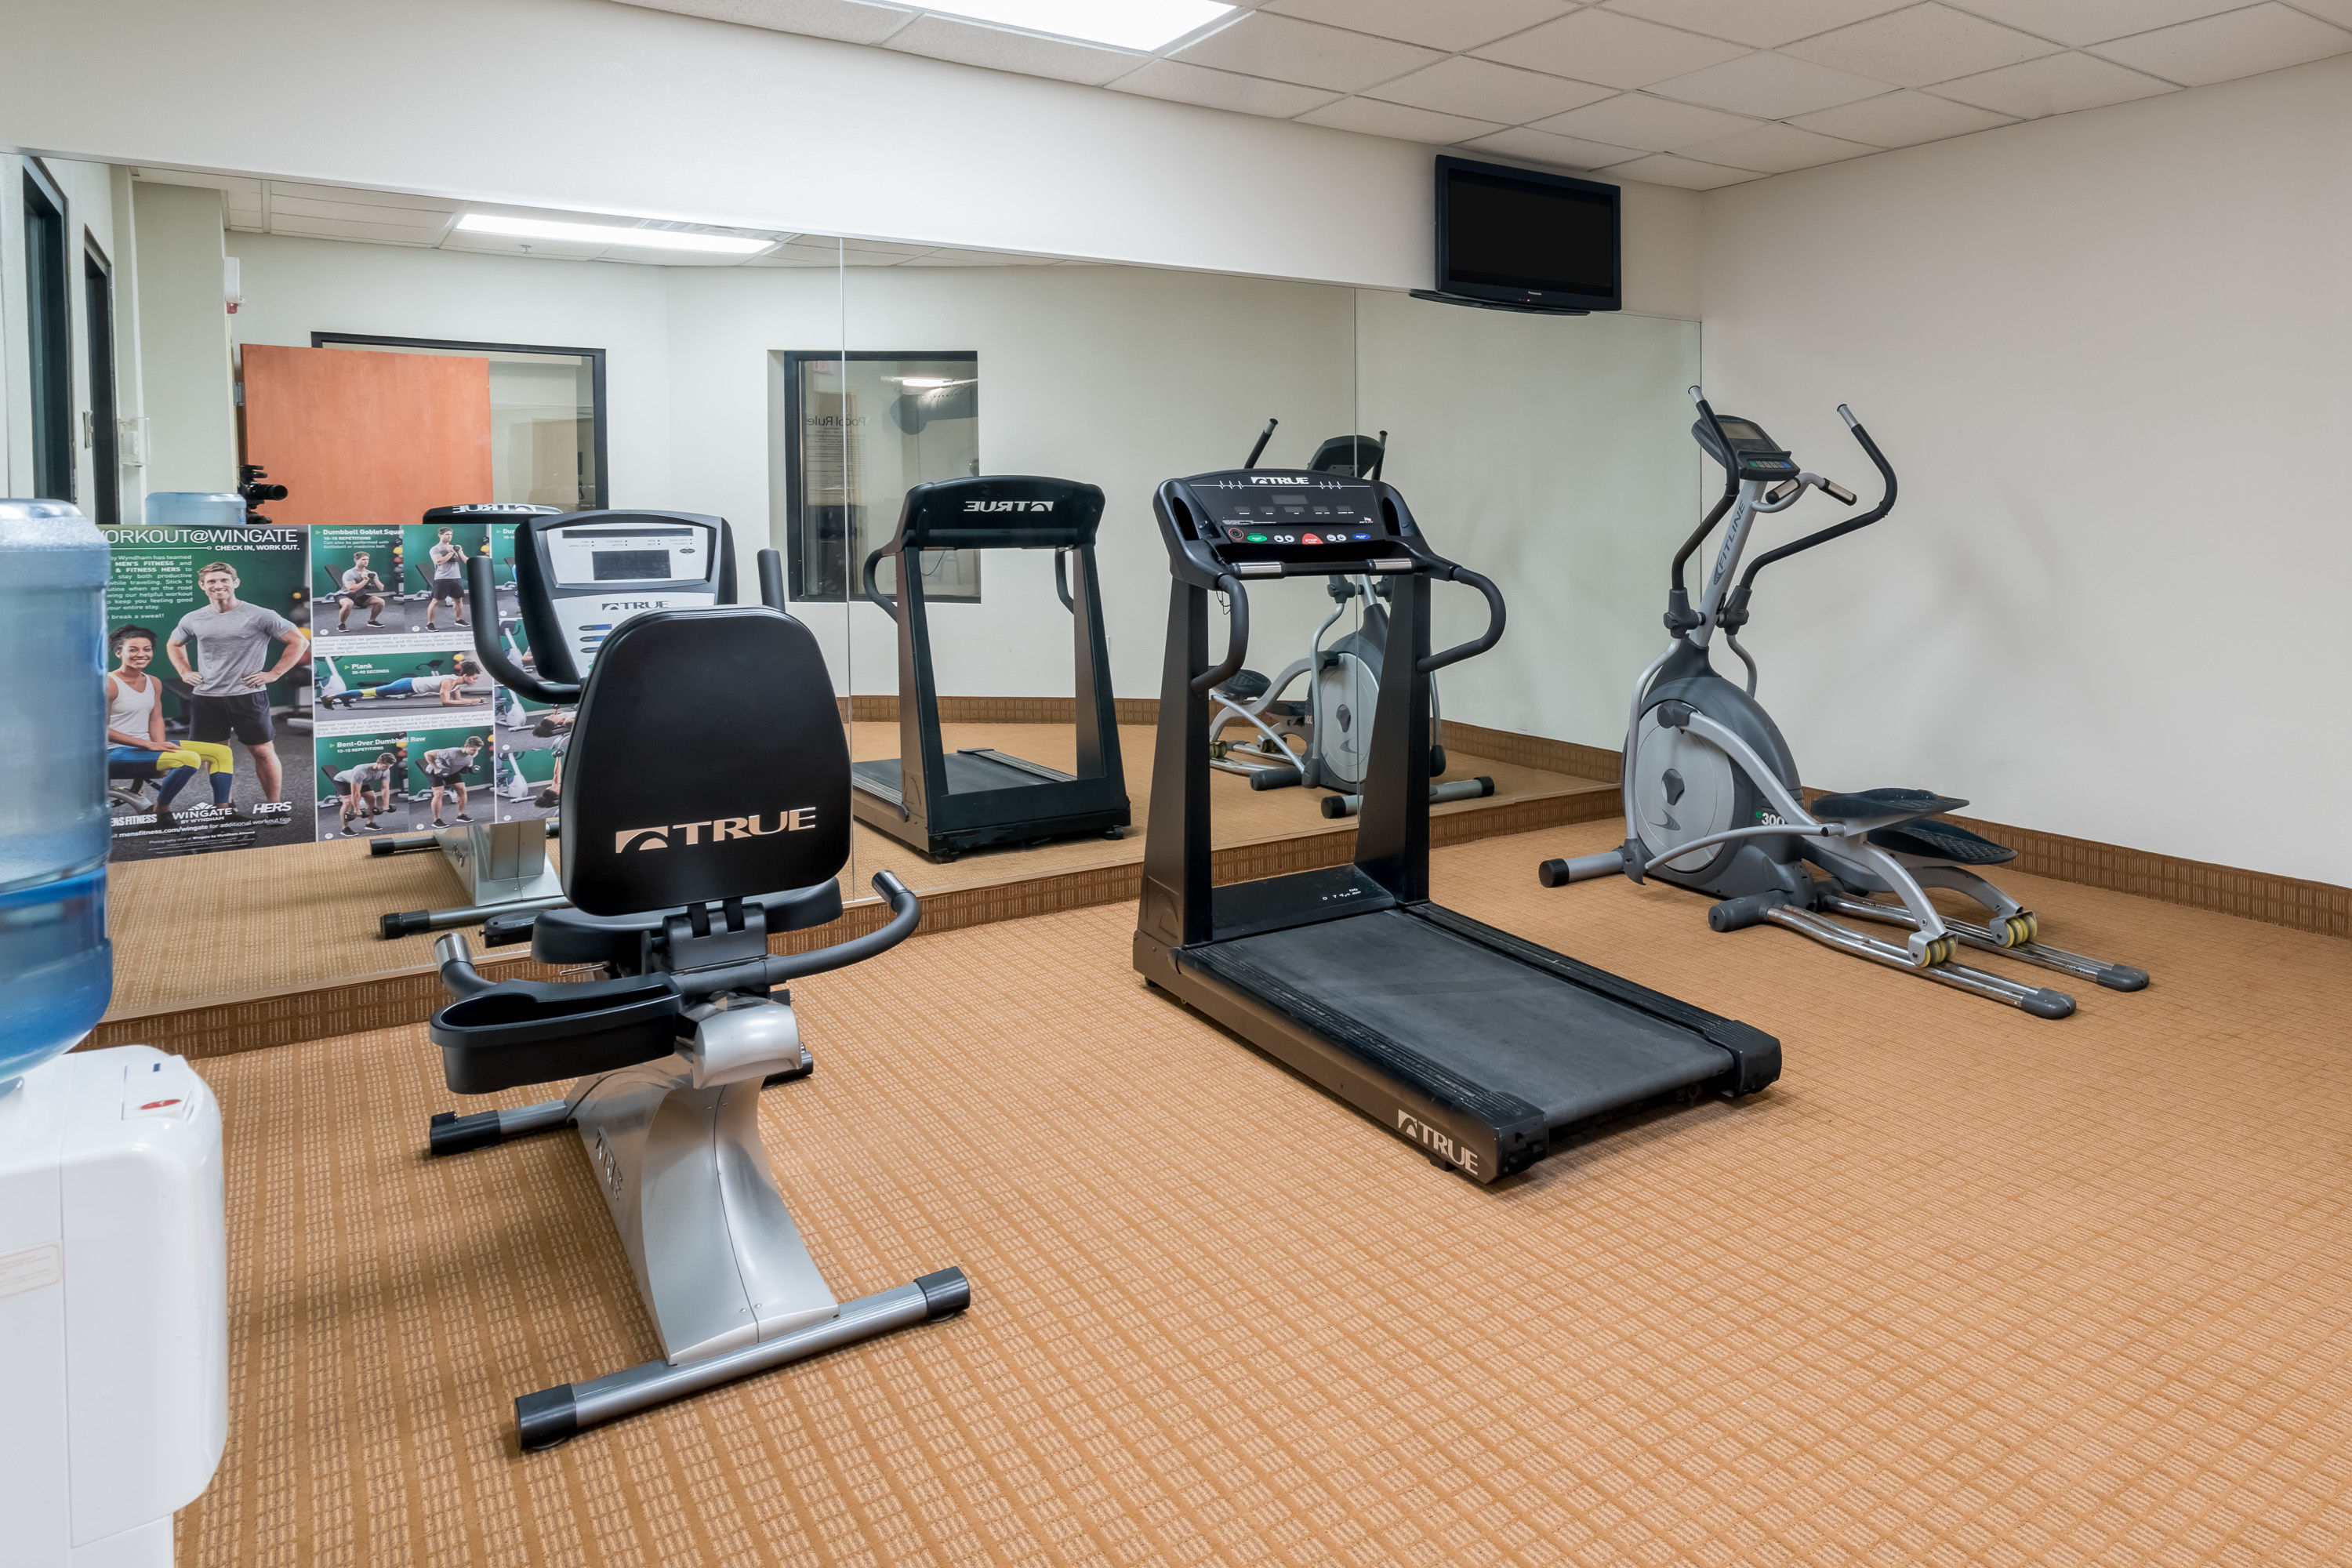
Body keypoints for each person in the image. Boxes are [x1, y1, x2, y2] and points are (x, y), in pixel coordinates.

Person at [166, 561, 307, 808]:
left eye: (223, 580)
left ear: (235, 583)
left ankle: (274, 805)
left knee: (262, 751)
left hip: (247, 695)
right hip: (206, 697)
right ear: (202, 586)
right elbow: (173, 644)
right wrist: (185, 672)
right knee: (216, 754)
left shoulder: (261, 615)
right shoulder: (194, 618)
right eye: (211, 582)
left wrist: (274, 673)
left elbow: (298, 642)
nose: (218, 586)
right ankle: (224, 805)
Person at [104, 626, 235, 829]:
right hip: (112, 752)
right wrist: (150, 746)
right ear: (119, 653)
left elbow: (156, 719)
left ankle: (223, 813)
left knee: (222, 752)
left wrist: (160, 747)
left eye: (147, 649)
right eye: (133, 650)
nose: (141, 654)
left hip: (143, 748)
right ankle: (161, 811)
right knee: (189, 758)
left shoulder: (153, 682)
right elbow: (98, 732)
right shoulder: (108, 684)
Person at [318, 652, 487, 709]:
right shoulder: (449, 682)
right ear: (466, 676)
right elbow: (445, 702)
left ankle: (343, 697)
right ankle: (330, 698)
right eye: (475, 678)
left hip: (408, 686)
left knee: (370, 693)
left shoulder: (456, 684)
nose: (475, 681)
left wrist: (476, 701)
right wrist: (472, 701)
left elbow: (457, 700)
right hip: (404, 686)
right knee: (369, 692)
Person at [422, 735, 487, 827]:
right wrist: (436, 768)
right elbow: (427, 754)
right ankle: (437, 820)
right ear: (466, 746)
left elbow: (471, 759)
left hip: (451, 770)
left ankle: (461, 815)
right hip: (436, 771)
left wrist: (469, 767)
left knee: (462, 789)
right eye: (473, 749)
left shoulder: (474, 753)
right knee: (439, 793)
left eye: (477, 750)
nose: (475, 752)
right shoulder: (450, 752)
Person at [333, 751, 400, 835]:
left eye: (389, 767)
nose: (386, 769)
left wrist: (386, 805)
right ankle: (345, 829)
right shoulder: (361, 770)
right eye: (385, 766)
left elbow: (385, 788)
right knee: (347, 802)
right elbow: (355, 793)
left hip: (363, 781)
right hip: (343, 781)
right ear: (378, 762)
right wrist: (357, 809)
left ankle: (370, 823)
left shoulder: (386, 771)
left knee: (372, 797)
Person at [423, 526, 468, 631]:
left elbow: (466, 561)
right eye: (447, 534)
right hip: (442, 578)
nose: (449, 536)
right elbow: (438, 561)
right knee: (435, 601)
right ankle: (429, 623)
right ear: (440, 535)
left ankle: (459, 620)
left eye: (451, 534)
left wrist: (460, 551)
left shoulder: (455, 548)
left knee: (458, 600)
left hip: (456, 578)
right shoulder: (435, 549)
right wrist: (451, 552)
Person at [333, 552, 389, 631]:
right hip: (344, 595)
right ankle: (341, 624)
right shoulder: (349, 573)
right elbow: (352, 590)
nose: (366, 561)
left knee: (380, 602)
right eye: (363, 559)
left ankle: (372, 621)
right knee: (349, 603)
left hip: (359, 596)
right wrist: (365, 580)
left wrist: (375, 579)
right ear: (356, 560)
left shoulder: (370, 573)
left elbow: (381, 588)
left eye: (367, 559)